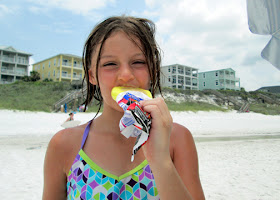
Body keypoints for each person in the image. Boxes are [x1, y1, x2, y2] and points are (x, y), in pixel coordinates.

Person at [43, 16, 205, 200]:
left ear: (153, 69)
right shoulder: (63, 145)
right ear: (92, 76)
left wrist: (160, 160)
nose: (126, 75)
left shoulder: (177, 140)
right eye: (110, 64)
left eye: (138, 62)